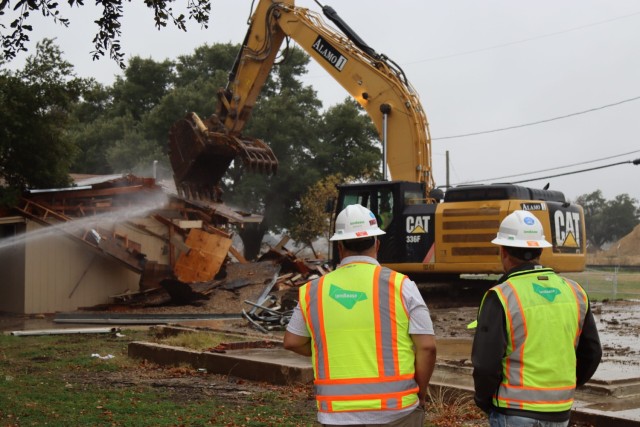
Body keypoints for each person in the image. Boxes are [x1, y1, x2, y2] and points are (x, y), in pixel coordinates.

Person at [284, 204, 437, 426]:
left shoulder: (312, 291)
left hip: (336, 413)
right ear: (377, 244)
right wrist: (420, 392)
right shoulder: (401, 286)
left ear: (339, 247)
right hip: (397, 411)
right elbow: (427, 347)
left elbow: (292, 341)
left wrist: (333, 349)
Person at [471, 210, 602, 427]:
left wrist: (484, 400)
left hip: (513, 410)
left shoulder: (501, 295)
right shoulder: (575, 291)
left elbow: (486, 364)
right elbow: (592, 352)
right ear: (540, 249)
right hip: (559, 411)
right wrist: (563, 389)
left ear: (503, 251)